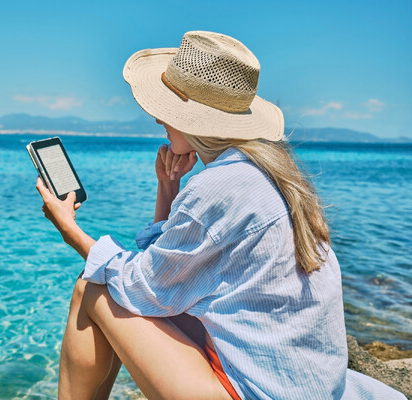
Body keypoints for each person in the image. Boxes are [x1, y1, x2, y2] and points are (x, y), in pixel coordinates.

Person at [35, 31, 405, 400]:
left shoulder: (221, 185)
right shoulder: (269, 170)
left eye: (165, 113)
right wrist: (168, 189)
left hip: (260, 392)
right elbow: (167, 276)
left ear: (190, 118)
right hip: (305, 383)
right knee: (108, 279)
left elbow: (142, 286)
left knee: (93, 284)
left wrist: (70, 230)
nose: (159, 122)